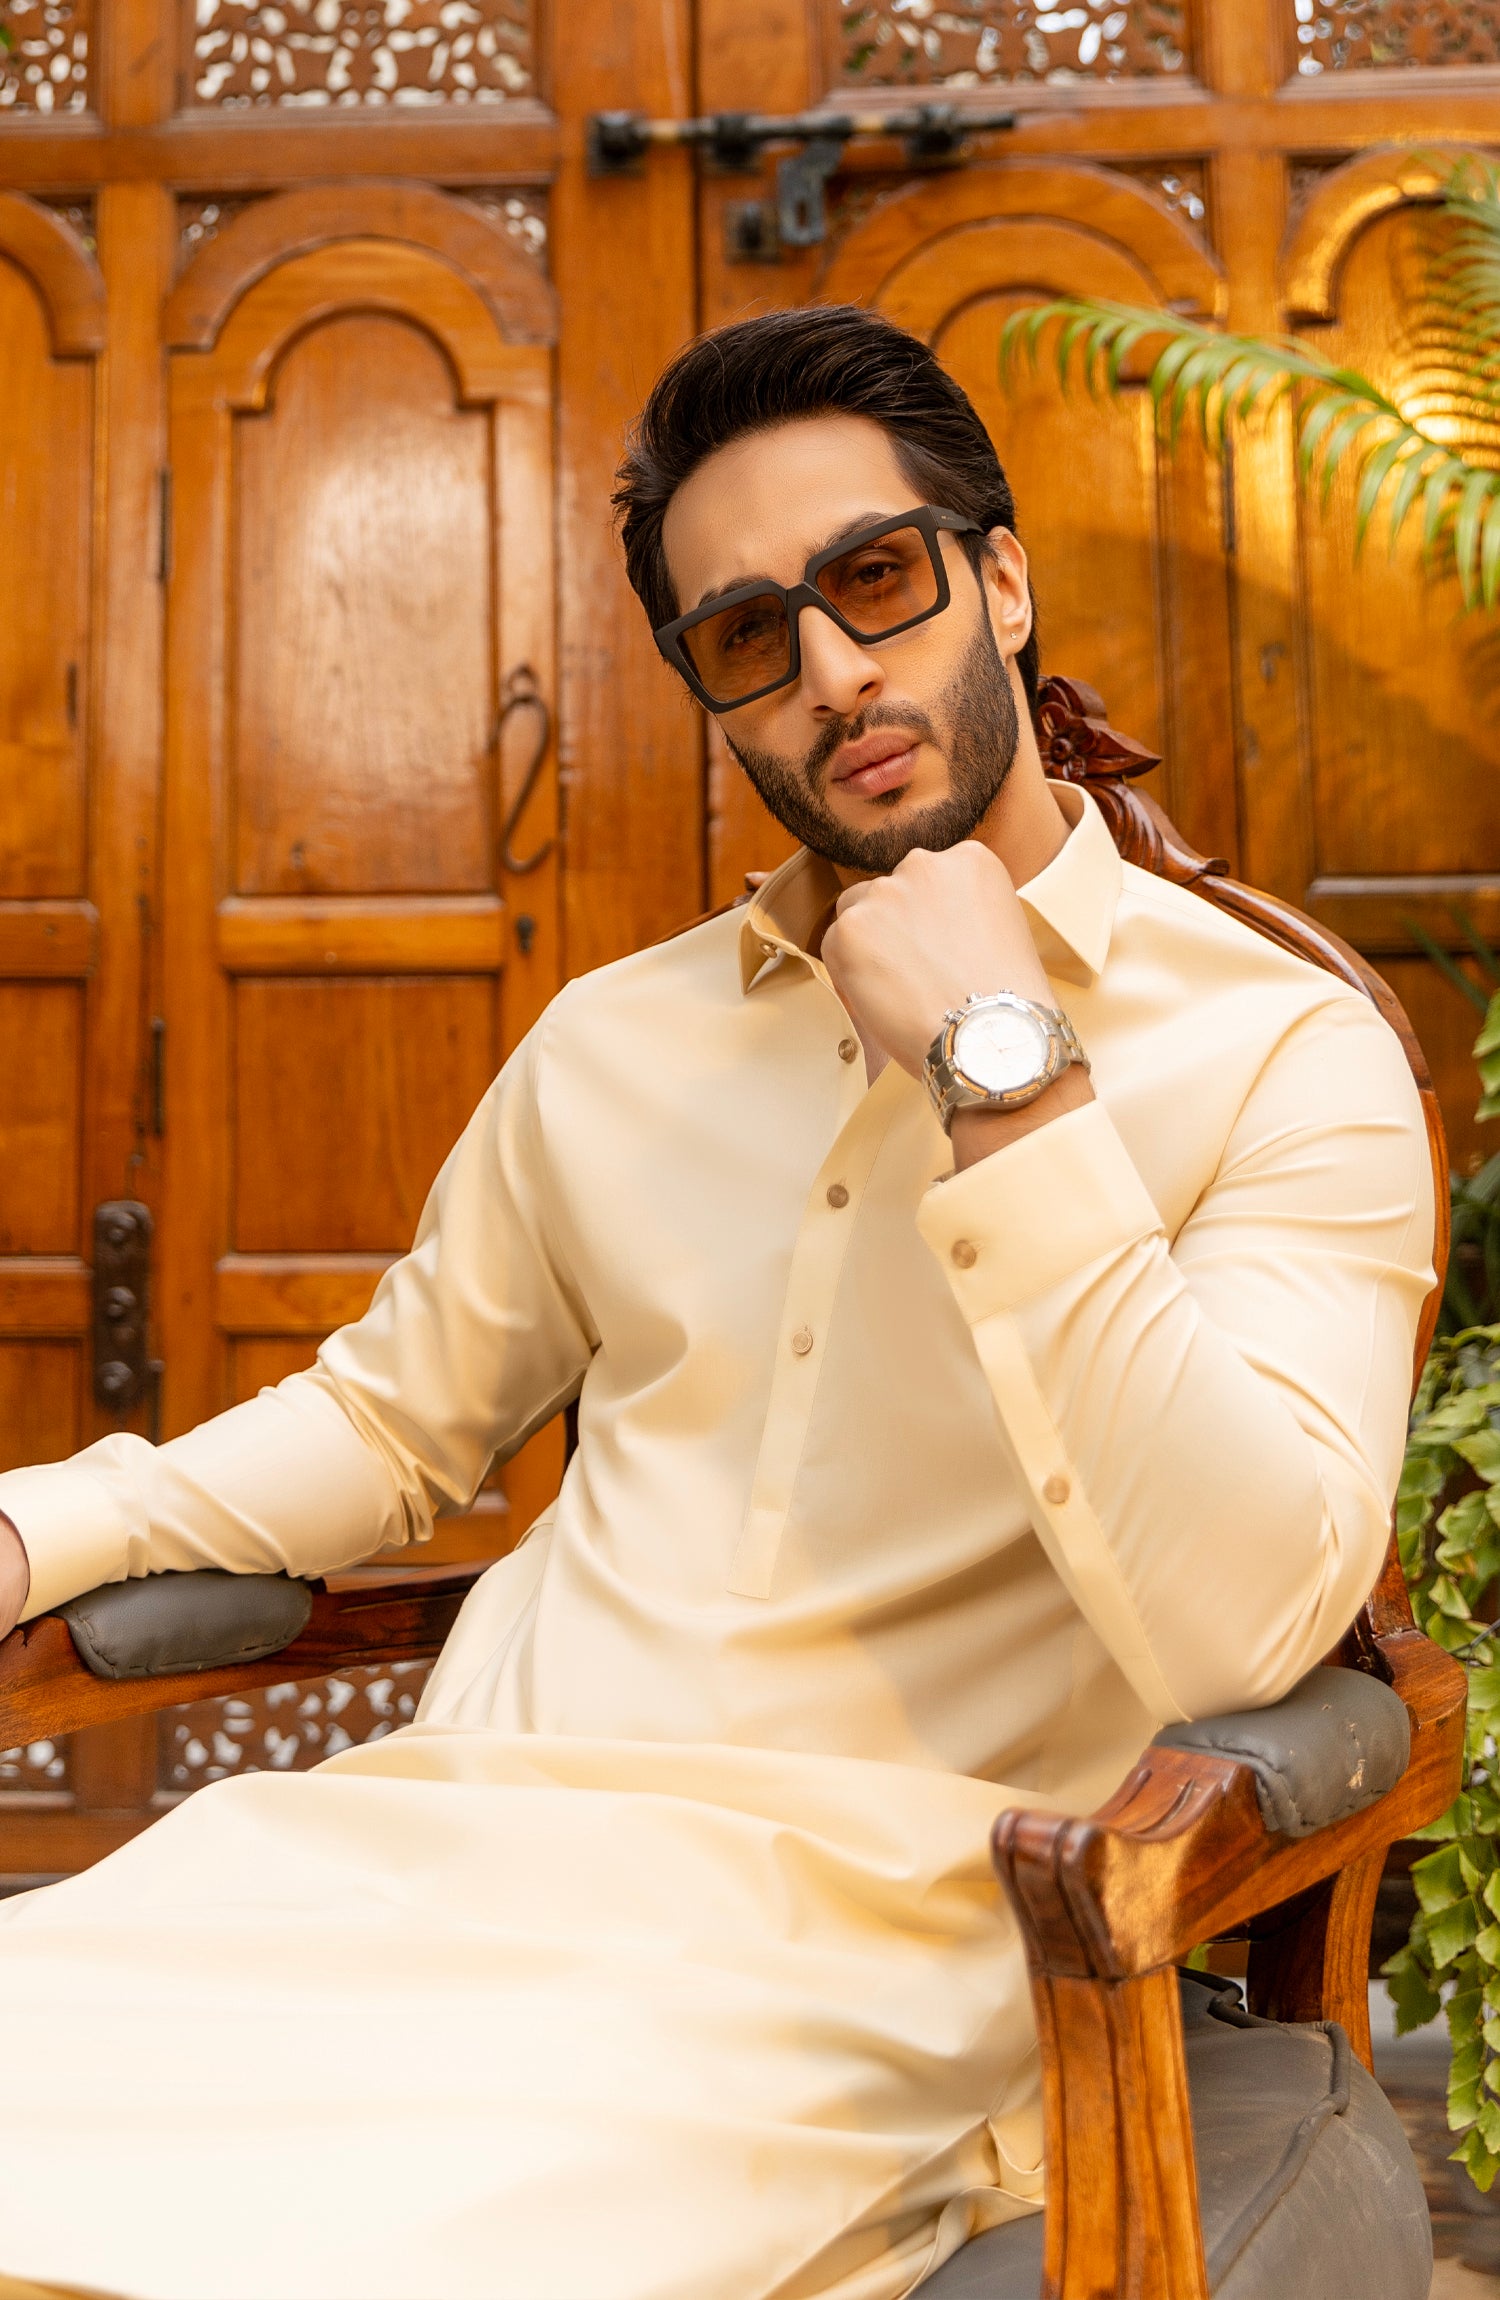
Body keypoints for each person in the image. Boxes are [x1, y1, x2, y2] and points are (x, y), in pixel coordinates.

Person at [0, 304, 1432, 2300]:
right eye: (751, 633)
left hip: (847, 1974)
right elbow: (384, 1426)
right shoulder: (615, 1043)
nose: (833, 671)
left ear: (1003, 583)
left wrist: (1004, 1067)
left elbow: (1249, 1615)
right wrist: (34, 1530)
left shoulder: (1281, 1054)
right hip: (432, 1857)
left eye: (879, 578)